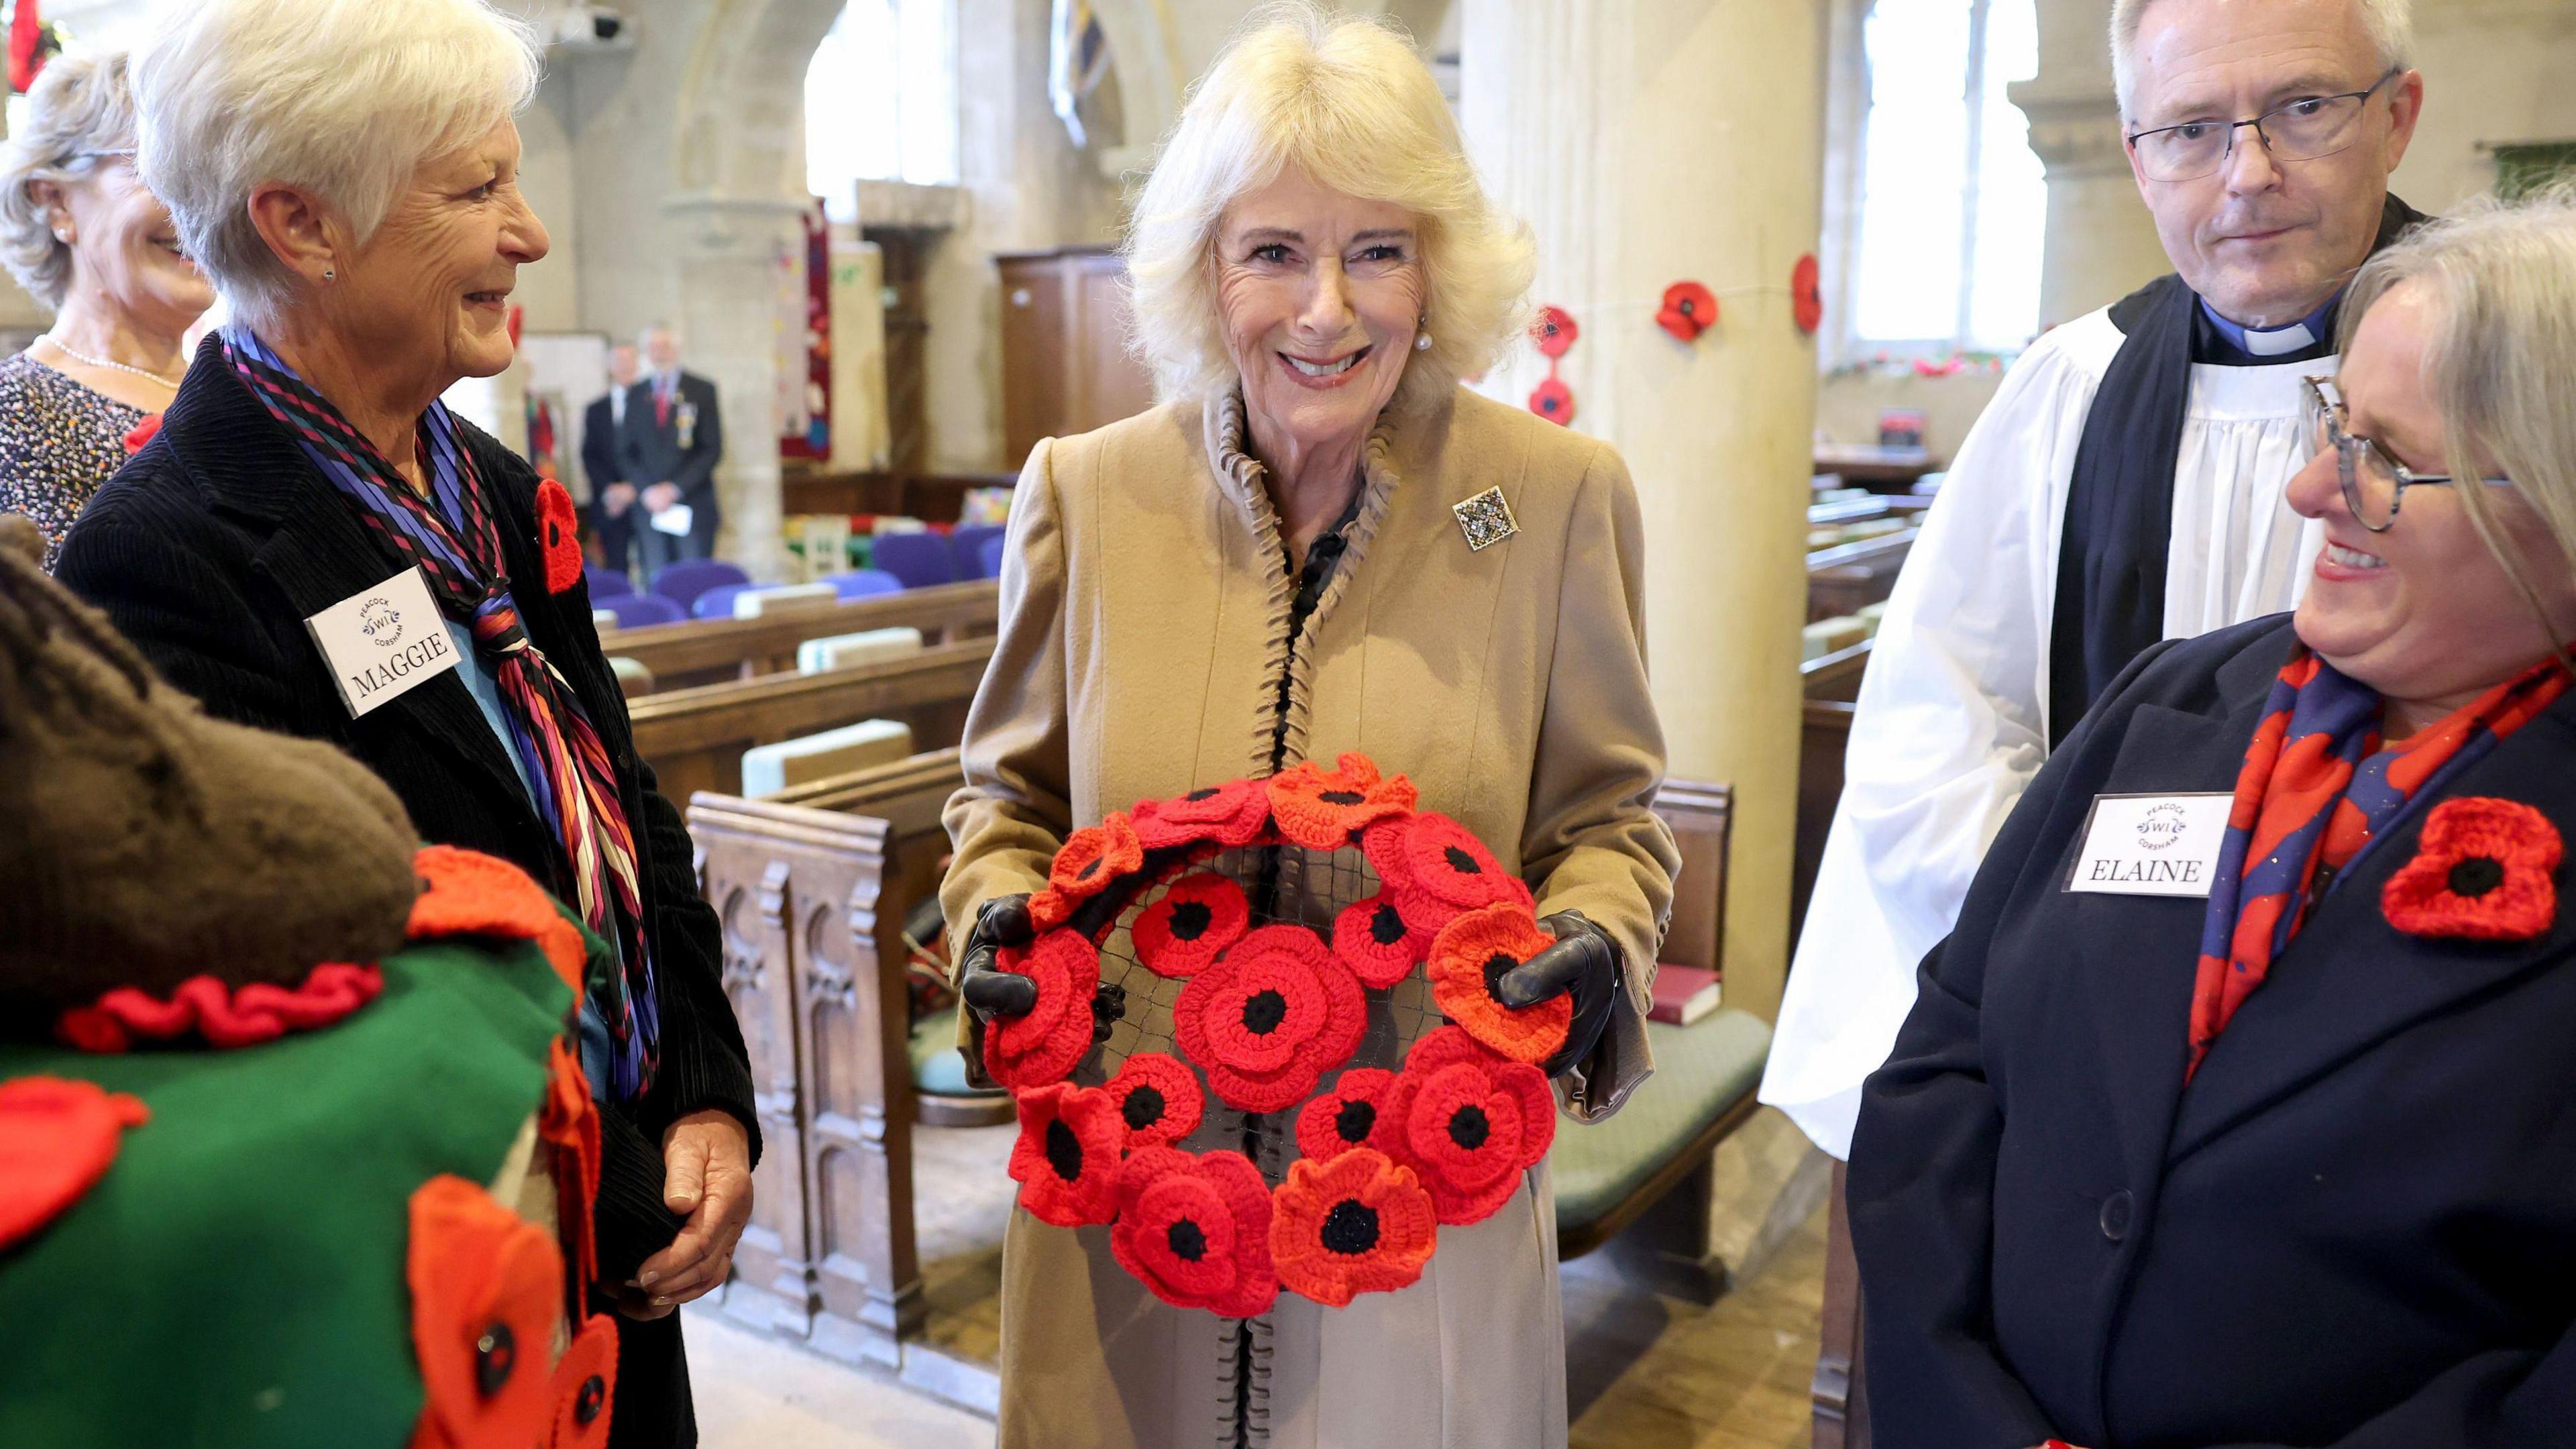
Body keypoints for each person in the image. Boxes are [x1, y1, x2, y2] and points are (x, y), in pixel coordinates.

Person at [937, 10, 1678, 1446]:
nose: (1326, 310)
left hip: (1418, 1228)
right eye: (1272, 251)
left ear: (1438, 267)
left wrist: (1601, 943)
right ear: (1206, 270)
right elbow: (1005, 804)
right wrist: (997, 921)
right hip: (1131, 1214)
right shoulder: (1086, 496)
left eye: (1377, 251)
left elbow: (1606, 824)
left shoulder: (1551, 496)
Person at [52, 3, 753, 1444]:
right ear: (302, 226)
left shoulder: (485, 485)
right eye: (478, 190)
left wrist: (708, 1100)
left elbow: (615, 801)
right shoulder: (165, 551)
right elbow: (321, 979)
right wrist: (622, 1184)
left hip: (626, 1244)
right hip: (443, 1280)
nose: (532, 234)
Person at [1850, 191, 2576, 1449]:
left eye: (2390, 462)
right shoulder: (2170, 701)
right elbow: (1949, 1053)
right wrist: (1958, 1407)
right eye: (2334, 425)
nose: (2312, 490)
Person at [1766, 0, 2431, 1161]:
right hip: (2083, 1021)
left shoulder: (2508, 372)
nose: (2248, 175)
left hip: (2398, 1045)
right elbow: (1940, 718)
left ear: (2399, 116)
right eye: (2191, 129)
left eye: (2304, 109)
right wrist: (2070, 946)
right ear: (2136, 157)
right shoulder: (2070, 387)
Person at [0, 51, 211, 569]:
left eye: (214, 179)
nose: (202, 207)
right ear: (56, 202)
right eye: (160, 170)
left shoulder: (248, 388)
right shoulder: (14, 410)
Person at [616, 323, 722, 572]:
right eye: (653, 347)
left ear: (676, 349)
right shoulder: (635, 394)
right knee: (656, 579)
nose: (659, 353)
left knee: (694, 579)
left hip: (691, 503)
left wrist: (674, 489)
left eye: (664, 346)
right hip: (650, 507)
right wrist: (648, 491)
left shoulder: (701, 391)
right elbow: (625, 452)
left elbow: (712, 449)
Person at [584, 340, 640, 578]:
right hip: (610, 502)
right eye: (619, 361)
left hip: (643, 496)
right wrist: (611, 491)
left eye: (629, 360)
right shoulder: (596, 409)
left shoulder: (649, 403)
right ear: (610, 366)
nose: (624, 366)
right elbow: (590, 455)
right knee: (617, 568)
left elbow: (655, 455)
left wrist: (635, 488)